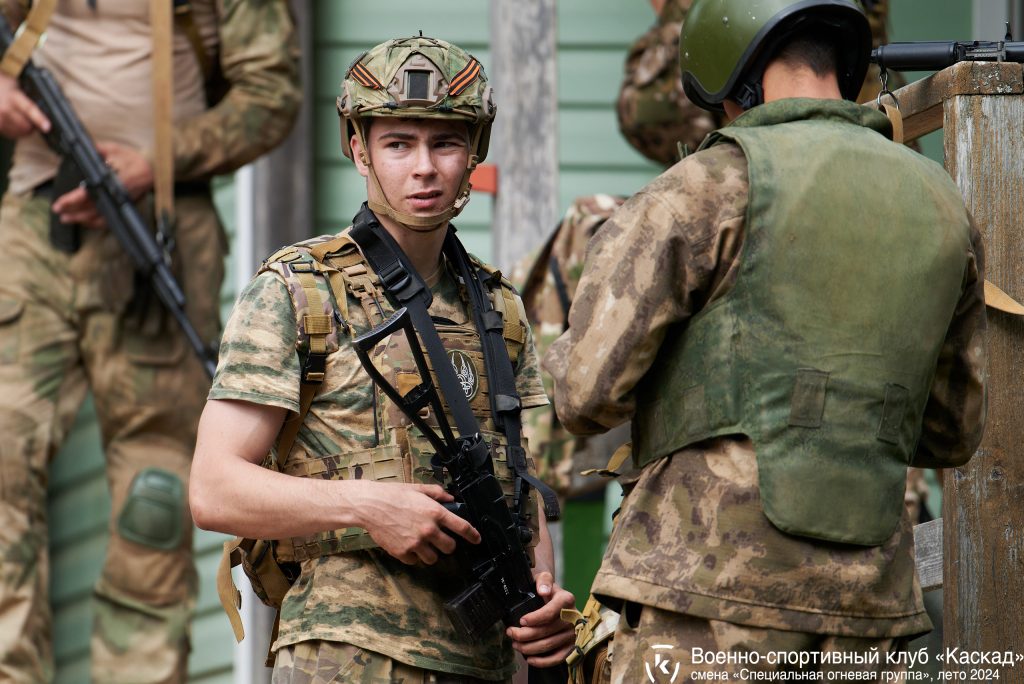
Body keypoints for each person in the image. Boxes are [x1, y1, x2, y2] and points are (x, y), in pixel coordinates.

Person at [546, 0, 986, 681]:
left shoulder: (702, 190)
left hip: (705, 605)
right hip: (867, 613)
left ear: (729, 76)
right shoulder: (943, 204)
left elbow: (584, 395)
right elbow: (952, 433)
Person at [189, 35, 576, 682]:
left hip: (485, 662)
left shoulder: (500, 310)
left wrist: (541, 594)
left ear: (473, 151)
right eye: (399, 143)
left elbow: (521, 485)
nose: (424, 167)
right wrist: (369, 506)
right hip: (344, 656)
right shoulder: (298, 287)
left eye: (445, 143)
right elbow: (213, 488)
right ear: (359, 148)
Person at [0, 0, 300, 680]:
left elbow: (271, 95)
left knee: (154, 498)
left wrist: (158, 161)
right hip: (29, 229)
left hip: (162, 230)